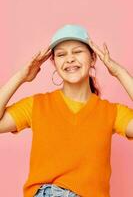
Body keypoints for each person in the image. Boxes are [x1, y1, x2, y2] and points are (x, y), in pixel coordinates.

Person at [0, 24, 133, 197]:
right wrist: (21, 77)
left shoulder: (111, 112)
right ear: (54, 63)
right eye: (61, 54)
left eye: (77, 51)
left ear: (93, 58)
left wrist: (120, 73)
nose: (69, 59)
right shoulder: (37, 105)